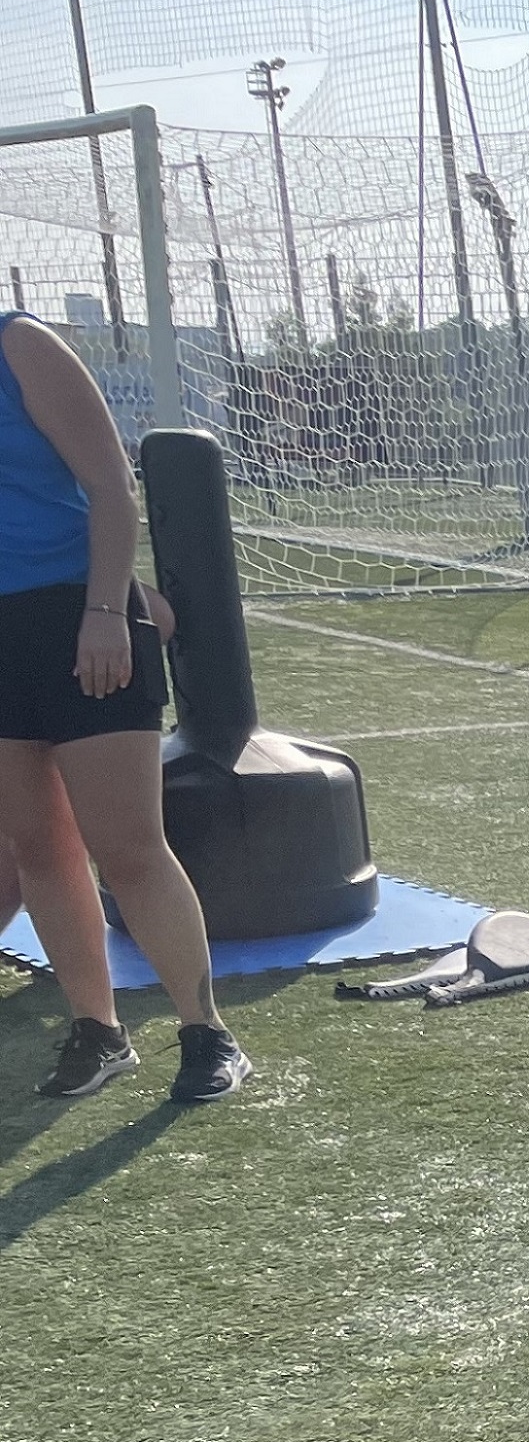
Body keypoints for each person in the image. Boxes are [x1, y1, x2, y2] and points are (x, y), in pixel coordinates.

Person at [0, 308, 246, 1102]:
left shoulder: (21, 344)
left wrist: (106, 612)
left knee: (129, 846)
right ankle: (97, 1031)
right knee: (38, 845)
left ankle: (206, 1031)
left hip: (80, 614)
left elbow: (111, 486)